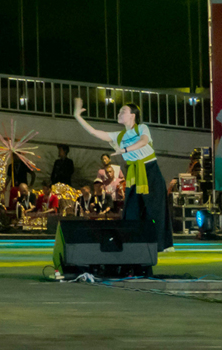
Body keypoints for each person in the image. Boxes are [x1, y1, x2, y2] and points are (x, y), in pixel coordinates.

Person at [72, 98, 172, 252]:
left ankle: (161, 245)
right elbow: (94, 132)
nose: (119, 113)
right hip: (133, 173)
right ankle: (131, 244)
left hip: (150, 170)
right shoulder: (118, 136)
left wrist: (125, 150)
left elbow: (144, 141)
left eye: (123, 111)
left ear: (133, 115)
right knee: (131, 211)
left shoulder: (141, 128)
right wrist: (77, 116)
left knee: (156, 209)